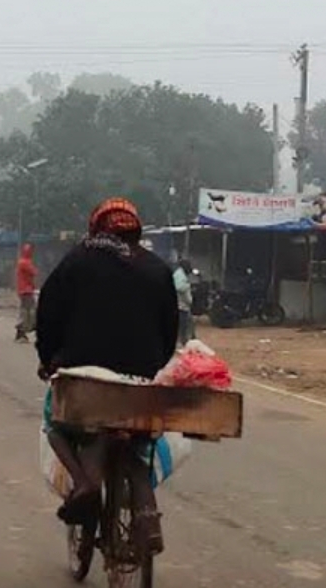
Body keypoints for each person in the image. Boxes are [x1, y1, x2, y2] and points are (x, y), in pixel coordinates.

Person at [35, 198, 178, 530]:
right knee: (140, 438)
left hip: (85, 380)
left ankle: (84, 483)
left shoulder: (78, 260)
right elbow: (170, 328)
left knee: (54, 423)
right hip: (142, 382)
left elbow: (48, 315)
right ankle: (146, 516)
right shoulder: (157, 268)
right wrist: (154, 365)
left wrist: (48, 359)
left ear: (97, 227)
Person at [13, 243, 38, 343]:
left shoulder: (23, 261)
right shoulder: (25, 262)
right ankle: (22, 331)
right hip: (26, 291)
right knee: (29, 312)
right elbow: (34, 272)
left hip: (25, 290)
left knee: (26, 311)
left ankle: (21, 332)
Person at [172, 257, 196, 345]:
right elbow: (179, 287)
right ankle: (184, 342)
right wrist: (187, 286)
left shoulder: (179, 274)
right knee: (183, 326)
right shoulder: (180, 275)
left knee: (187, 325)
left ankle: (187, 341)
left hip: (182, 305)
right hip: (180, 305)